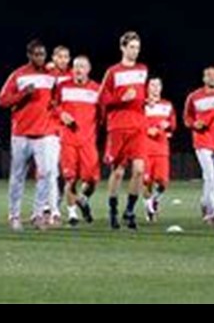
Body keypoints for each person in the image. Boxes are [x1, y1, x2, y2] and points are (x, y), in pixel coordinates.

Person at [0, 39, 59, 230]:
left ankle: (38, 213)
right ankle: (14, 215)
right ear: (29, 55)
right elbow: (2, 101)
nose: (40, 57)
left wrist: (55, 107)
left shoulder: (52, 76)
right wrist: (23, 94)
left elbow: (57, 97)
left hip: (44, 133)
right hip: (21, 134)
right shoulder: (19, 75)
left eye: (43, 54)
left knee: (46, 173)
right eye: (36, 54)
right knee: (17, 176)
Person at [100, 31, 149, 231]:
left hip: (138, 126)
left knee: (139, 171)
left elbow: (140, 97)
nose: (135, 51)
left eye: (137, 47)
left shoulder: (143, 70)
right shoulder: (113, 72)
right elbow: (102, 99)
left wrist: (146, 101)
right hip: (118, 127)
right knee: (118, 172)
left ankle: (129, 210)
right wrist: (121, 98)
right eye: (131, 47)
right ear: (122, 48)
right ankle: (113, 210)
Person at [52, 55, 101, 226]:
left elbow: (101, 115)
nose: (79, 70)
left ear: (89, 69)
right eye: (76, 66)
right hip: (68, 140)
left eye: (82, 66)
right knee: (70, 178)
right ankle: (72, 214)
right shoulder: (63, 87)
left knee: (92, 180)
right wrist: (61, 114)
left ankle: (84, 198)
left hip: (88, 141)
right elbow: (53, 105)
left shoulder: (96, 89)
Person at [183, 66, 214, 224]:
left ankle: (205, 203)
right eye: (208, 75)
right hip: (202, 140)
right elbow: (187, 118)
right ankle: (212, 213)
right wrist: (194, 124)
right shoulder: (194, 97)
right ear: (203, 79)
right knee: (210, 176)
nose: (211, 78)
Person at [142, 77, 176, 223]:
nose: (155, 88)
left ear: (161, 88)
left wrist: (166, 125)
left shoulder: (167, 105)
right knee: (146, 181)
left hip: (162, 148)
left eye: (157, 85)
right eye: (152, 85)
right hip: (144, 148)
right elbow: (134, 122)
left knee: (163, 182)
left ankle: (155, 199)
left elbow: (173, 124)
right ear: (147, 87)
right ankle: (149, 209)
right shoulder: (141, 105)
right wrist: (146, 129)